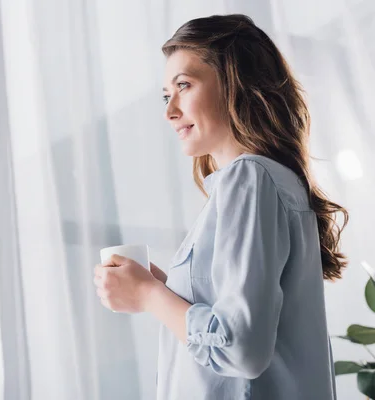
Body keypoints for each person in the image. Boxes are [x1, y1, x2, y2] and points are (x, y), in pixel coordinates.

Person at [93, 14, 348, 400]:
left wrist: (149, 296)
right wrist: (164, 288)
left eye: (184, 85)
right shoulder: (266, 181)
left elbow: (240, 348)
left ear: (234, 83)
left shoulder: (251, 178)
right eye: (166, 94)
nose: (170, 110)